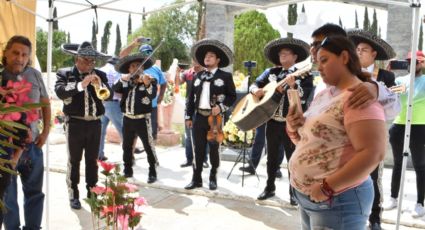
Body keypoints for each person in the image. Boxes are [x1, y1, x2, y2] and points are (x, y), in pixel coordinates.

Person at [287, 35, 386, 229]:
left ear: (344, 57)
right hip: (311, 198)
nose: (319, 67)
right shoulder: (324, 95)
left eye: (324, 60)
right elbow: (307, 139)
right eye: (317, 62)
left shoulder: (358, 97)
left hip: (337, 200)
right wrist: (293, 125)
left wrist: (327, 188)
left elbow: (373, 153)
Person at [249, 38, 313, 203]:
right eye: (280, 53)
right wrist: (256, 90)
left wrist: (292, 87)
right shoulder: (272, 72)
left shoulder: (304, 75)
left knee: (292, 159)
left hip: (291, 124)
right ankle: (269, 188)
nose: (282, 56)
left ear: (295, 56)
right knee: (271, 158)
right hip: (272, 122)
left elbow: (304, 98)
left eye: (286, 53)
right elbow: (254, 84)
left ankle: (294, 193)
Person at [1, 35, 51, 230]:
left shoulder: (35, 75)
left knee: (35, 194)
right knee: (7, 197)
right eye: (15, 53)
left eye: (24, 55)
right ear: (6, 52)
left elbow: (46, 105)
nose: (20, 58)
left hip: (32, 147)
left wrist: (45, 132)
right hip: (4, 149)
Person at [348, 29, 396, 230]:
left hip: (374, 132)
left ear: (374, 54)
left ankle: (375, 218)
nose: (359, 53)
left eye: (364, 50)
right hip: (349, 131)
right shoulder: (349, 73)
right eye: (356, 49)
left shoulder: (387, 76)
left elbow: (392, 106)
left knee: (374, 176)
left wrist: (376, 89)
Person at [55, 41, 112, 210]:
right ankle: (74, 194)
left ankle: (92, 191)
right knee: (74, 160)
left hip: (95, 124)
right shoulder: (65, 74)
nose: (91, 64)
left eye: (93, 61)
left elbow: (107, 96)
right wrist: (82, 85)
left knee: (92, 160)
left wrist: (98, 85)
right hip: (74, 124)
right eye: (87, 60)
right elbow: (61, 91)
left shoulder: (100, 74)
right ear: (77, 59)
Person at [309, 24, 400, 120]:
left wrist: (376, 90)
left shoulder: (360, 80)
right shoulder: (322, 83)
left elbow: (394, 109)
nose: (312, 49)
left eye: (318, 44)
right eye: (312, 45)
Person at [184, 39, 236, 191]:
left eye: (211, 56)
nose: (207, 58)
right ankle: (196, 179)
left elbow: (232, 97)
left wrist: (220, 107)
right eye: (206, 56)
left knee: (214, 149)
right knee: (198, 150)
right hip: (199, 117)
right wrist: (188, 116)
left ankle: (213, 177)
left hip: (215, 119)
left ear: (218, 60)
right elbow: (190, 99)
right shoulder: (197, 76)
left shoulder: (225, 76)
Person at [384, 50, 425, 218]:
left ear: (422, 63)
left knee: (419, 165)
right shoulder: (401, 81)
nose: (412, 64)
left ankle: (420, 203)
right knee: (398, 164)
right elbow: (387, 95)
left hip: (419, 127)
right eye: (409, 61)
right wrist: (388, 73)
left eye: (416, 61)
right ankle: (393, 198)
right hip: (399, 126)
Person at [113, 53, 158, 183]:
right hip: (127, 119)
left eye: (139, 65)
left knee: (148, 146)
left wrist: (148, 84)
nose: (137, 68)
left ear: (143, 68)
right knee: (126, 146)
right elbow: (114, 89)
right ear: (129, 69)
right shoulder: (126, 81)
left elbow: (152, 96)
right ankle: (127, 170)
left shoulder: (150, 80)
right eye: (133, 66)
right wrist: (123, 79)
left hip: (143, 119)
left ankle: (152, 171)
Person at [239, 68, 284, 178]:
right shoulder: (269, 71)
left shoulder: (289, 72)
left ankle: (276, 167)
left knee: (279, 142)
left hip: (280, 112)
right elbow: (255, 84)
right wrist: (255, 90)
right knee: (259, 138)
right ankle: (252, 165)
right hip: (264, 110)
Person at [120, 39, 166, 140]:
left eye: (149, 52)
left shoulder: (156, 69)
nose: (147, 54)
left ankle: (151, 152)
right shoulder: (134, 67)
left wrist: (161, 96)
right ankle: (131, 155)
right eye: (144, 52)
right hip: (135, 108)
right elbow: (122, 55)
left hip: (151, 106)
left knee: (151, 133)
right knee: (133, 135)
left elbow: (163, 83)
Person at [175, 59, 209, 168]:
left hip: (203, 108)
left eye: (198, 58)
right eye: (194, 58)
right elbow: (177, 83)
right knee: (189, 136)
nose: (196, 61)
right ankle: (189, 159)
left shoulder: (207, 73)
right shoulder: (187, 73)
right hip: (189, 108)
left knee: (204, 136)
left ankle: (204, 160)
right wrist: (176, 73)